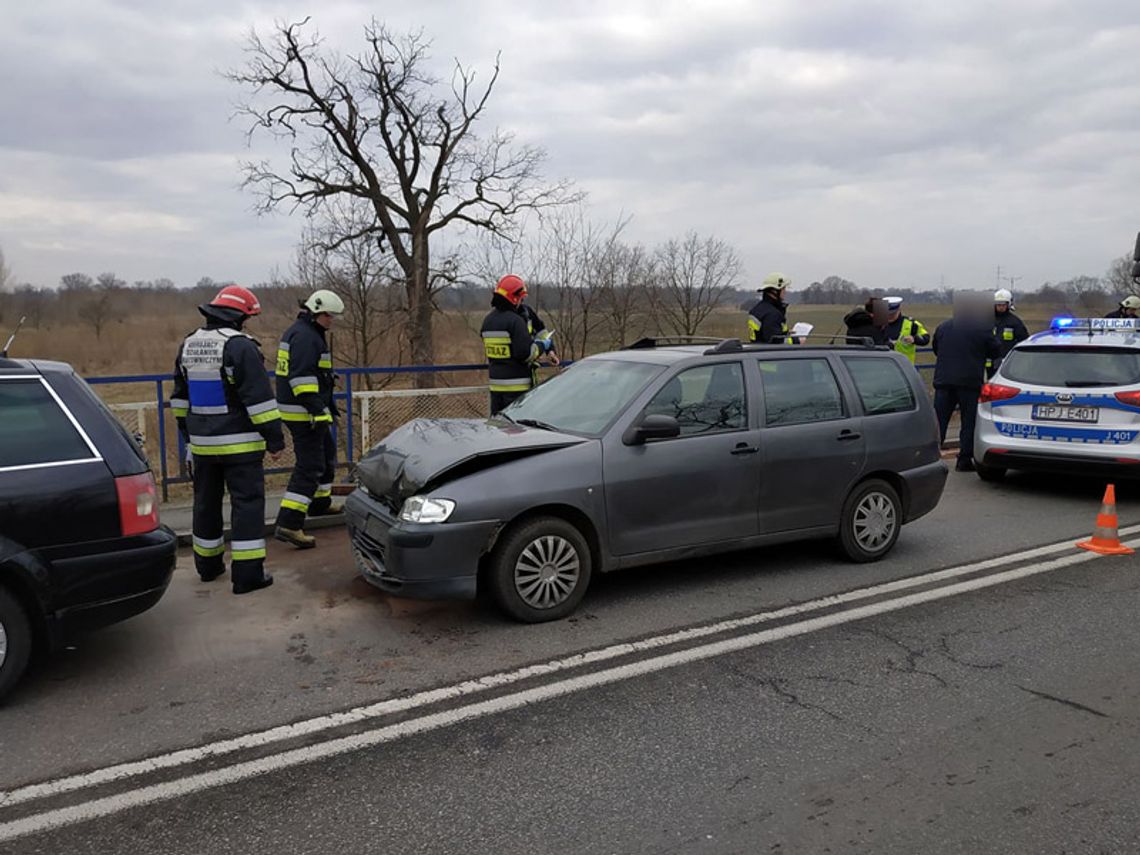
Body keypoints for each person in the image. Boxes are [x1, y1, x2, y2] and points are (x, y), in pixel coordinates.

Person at [171, 285, 284, 594]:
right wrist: (275, 440)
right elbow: (259, 401)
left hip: (202, 446)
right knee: (246, 505)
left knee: (205, 504)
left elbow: (180, 401)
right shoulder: (241, 347)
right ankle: (247, 576)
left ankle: (208, 567)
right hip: (241, 446)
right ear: (239, 317)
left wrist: (189, 436)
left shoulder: (188, 345)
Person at [274, 289, 345, 549]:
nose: (332, 320)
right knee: (310, 465)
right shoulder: (306, 337)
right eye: (329, 315)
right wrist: (316, 409)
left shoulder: (306, 333)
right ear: (317, 313)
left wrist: (327, 379)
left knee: (326, 454)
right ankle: (289, 523)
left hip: (307, 409)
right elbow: (301, 379)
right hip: (304, 413)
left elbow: (309, 371)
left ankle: (319, 504)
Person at [931, 301, 1000, 472]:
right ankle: (964, 460)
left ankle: (931, 458)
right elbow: (996, 350)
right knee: (968, 422)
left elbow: (936, 349)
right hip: (969, 383)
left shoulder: (942, 327)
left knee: (939, 422)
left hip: (943, 381)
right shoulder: (982, 329)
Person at [481, 275, 554, 414]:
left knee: (498, 428)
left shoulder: (488, 321)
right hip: (517, 389)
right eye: (521, 297)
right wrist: (543, 345)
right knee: (518, 432)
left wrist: (551, 349)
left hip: (496, 388)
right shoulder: (516, 321)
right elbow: (525, 354)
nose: (522, 300)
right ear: (514, 298)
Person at [518, 296, 559, 387]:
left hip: (530, 371)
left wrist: (550, 351)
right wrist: (536, 350)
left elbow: (542, 332)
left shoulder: (527, 312)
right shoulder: (507, 318)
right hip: (518, 371)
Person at [988, 288, 1029, 378]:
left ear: (1009, 305)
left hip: (1007, 361)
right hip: (990, 361)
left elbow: (1024, 341)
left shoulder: (1015, 322)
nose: (1001, 307)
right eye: (998, 305)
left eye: (1003, 305)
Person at [882, 296, 930, 364]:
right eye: (888, 314)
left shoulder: (911, 323)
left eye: (893, 314)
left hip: (905, 368)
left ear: (899, 310)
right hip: (883, 367)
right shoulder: (878, 324)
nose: (890, 316)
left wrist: (914, 339)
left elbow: (926, 338)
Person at [747, 272, 792, 343]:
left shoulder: (758, 309)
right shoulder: (772, 314)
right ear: (774, 291)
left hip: (757, 350)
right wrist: (797, 341)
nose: (785, 292)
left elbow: (764, 333)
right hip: (769, 353)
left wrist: (785, 333)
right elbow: (775, 342)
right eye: (783, 288)